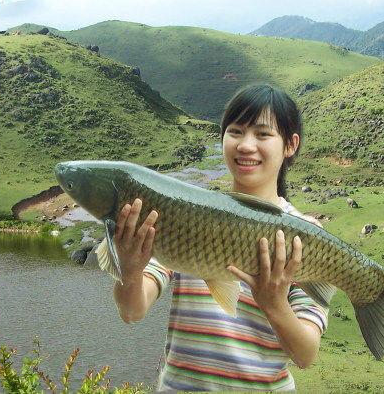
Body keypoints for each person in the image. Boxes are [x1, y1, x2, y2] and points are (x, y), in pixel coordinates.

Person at [112, 83, 329, 391]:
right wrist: (130, 270)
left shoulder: (305, 238)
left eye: (263, 134)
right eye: (236, 131)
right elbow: (132, 311)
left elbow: (306, 354)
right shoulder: (184, 211)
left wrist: (274, 304)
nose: (245, 145)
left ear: (290, 145)